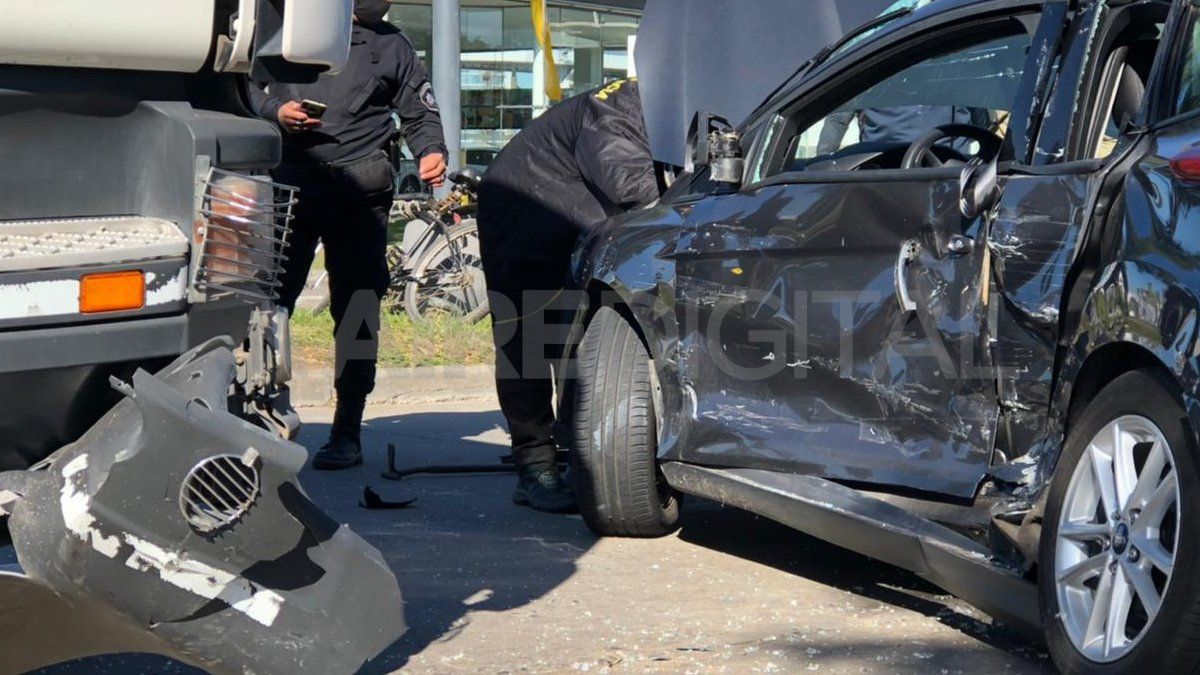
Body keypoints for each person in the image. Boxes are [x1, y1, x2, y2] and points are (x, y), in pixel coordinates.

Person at [248, 0, 447, 470]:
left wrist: (431, 150)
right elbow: (245, 87)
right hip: (289, 183)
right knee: (269, 307)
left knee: (358, 309)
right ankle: (258, 413)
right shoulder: (286, 30)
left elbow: (419, 112)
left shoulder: (392, 45)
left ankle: (347, 429)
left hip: (361, 188)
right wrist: (277, 111)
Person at [477, 78, 660, 512]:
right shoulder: (619, 104)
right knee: (529, 339)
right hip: (524, 206)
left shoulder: (674, 106)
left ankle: (578, 453)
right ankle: (535, 464)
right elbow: (625, 179)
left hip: (581, 222)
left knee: (584, 344)